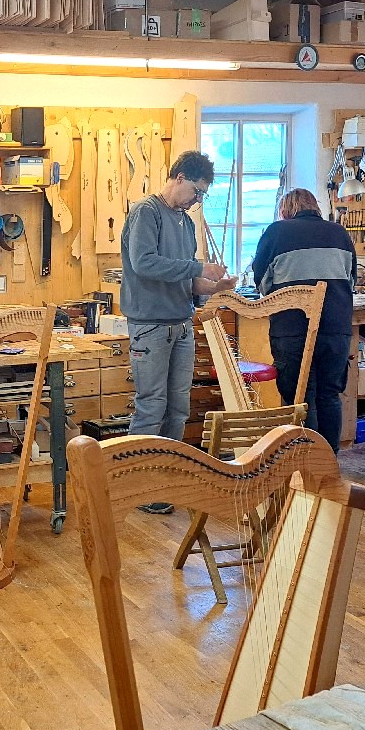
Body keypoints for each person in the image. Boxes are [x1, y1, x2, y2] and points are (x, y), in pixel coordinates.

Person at [120, 151, 235, 514]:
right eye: (196, 191)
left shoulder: (185, 223)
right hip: (150, 326)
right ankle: (139, 486)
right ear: (180, 177)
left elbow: (188, 280)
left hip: (181, 324)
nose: (197, 200)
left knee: (178, 409)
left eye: (203, 196)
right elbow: (144, 263)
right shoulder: (146, 212)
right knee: (151, 406)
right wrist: (198, 266)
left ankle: (165, 481)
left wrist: (214, 287)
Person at [252, 187, 356, 453]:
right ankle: (328, 462)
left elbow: (262, 283)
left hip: (292, 328)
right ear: (315, 207)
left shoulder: (276, 232)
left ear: (285, 210)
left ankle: (305, 461)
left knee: (300, 398)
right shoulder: (340, 234)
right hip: (336, 327)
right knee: (329, 395)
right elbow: (351, 280)